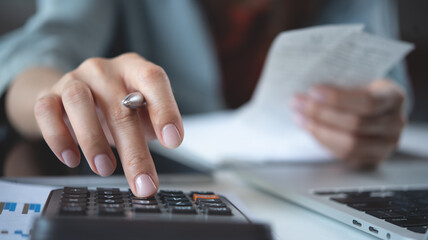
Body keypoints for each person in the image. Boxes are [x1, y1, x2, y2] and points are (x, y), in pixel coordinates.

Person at [0, 0, 410, 197]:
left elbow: (384, 75)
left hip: (313, 192)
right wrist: (56, 96)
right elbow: (39, 51)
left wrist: (382, 109)